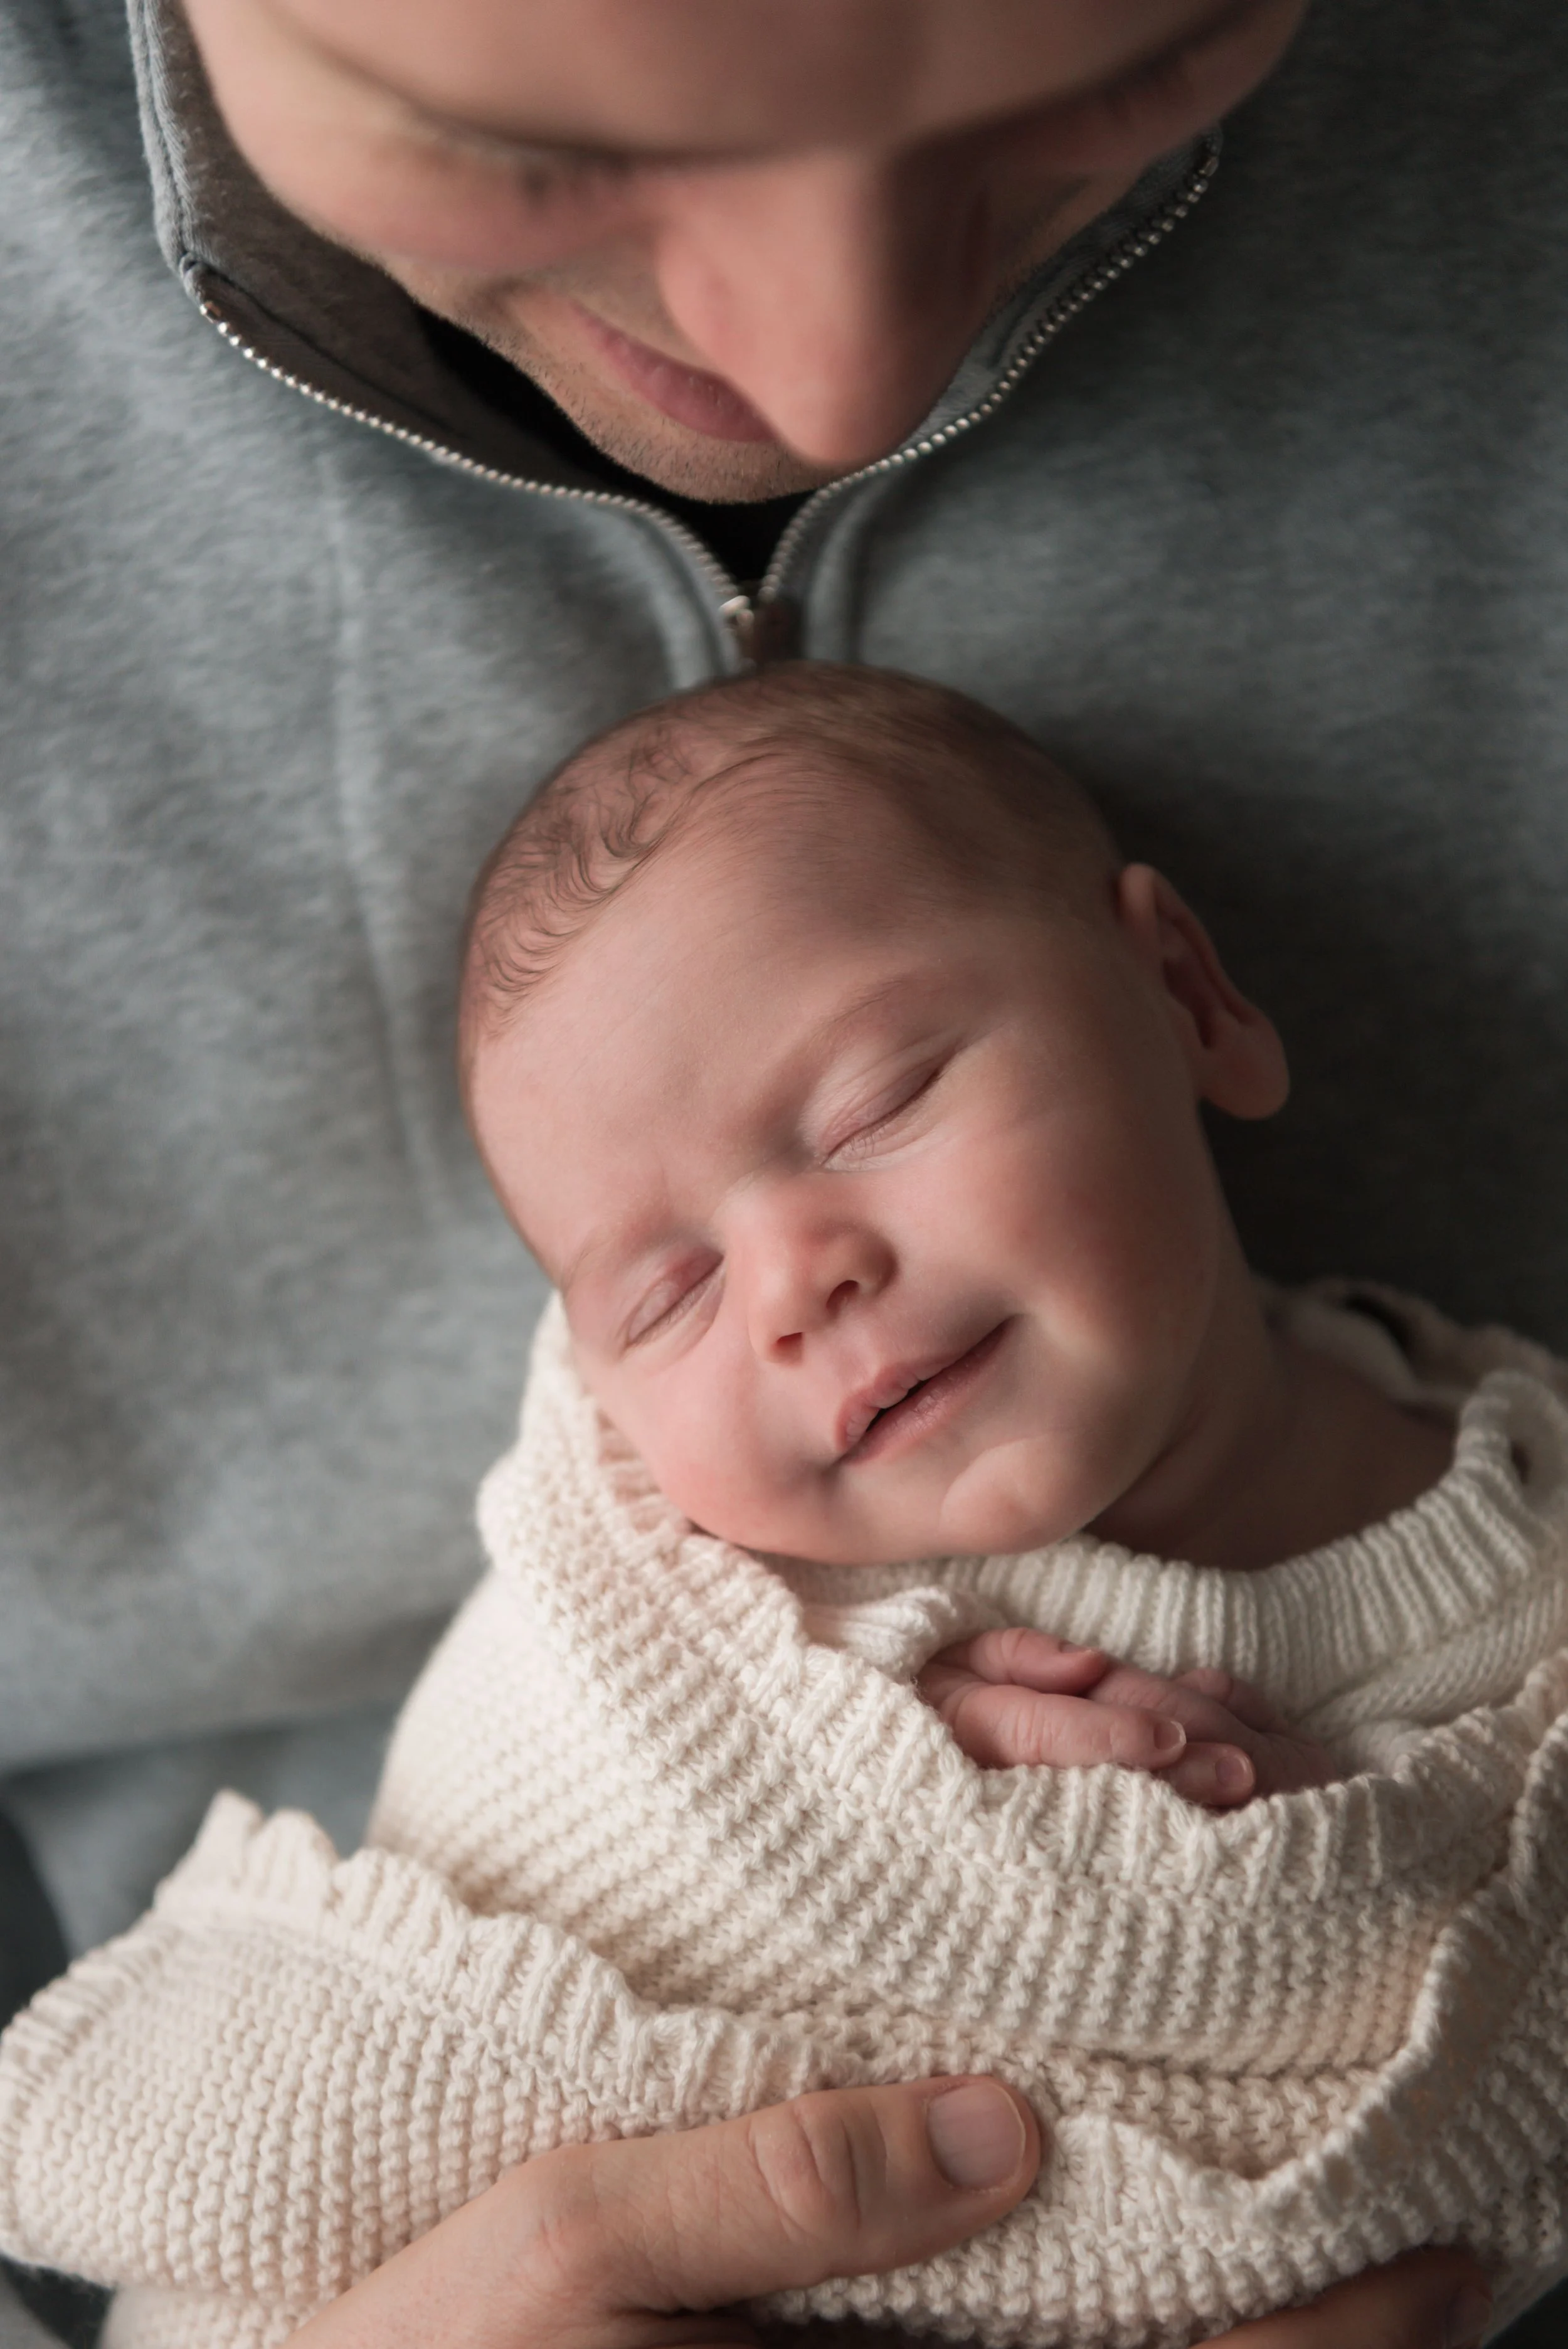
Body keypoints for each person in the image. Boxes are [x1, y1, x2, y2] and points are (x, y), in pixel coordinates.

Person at [1, 0, 1560, 2339]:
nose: (836, 379)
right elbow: (560, 1765)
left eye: (1110, 76)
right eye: (512, 143)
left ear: (1190, 999)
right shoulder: (666, 1623)